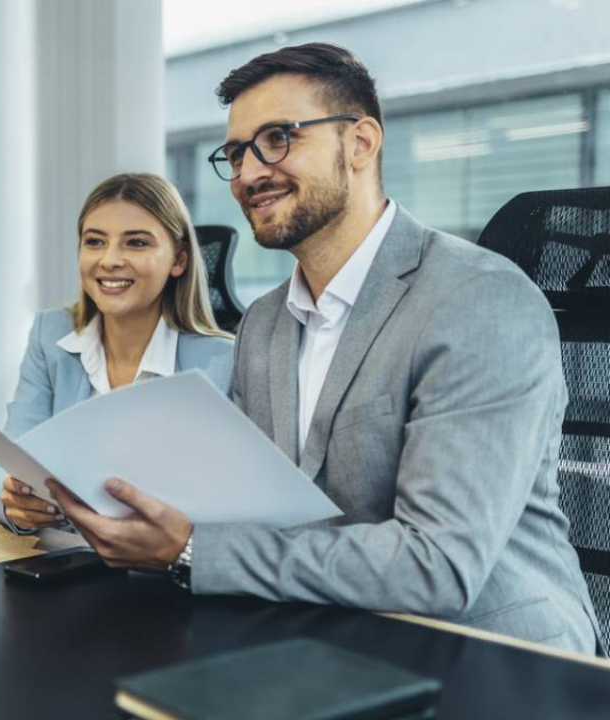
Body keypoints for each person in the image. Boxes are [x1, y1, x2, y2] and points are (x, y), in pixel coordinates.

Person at [49, 43, 602, 654]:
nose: (250, 172)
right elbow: (252, 506)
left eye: (279, 138)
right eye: (236, 153)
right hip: (329, 635)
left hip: (494, 656)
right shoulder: (262, 323)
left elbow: (436, 564)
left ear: (361, 143)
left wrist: (190, 547)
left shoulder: (479, 299)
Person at [0, 173, 233, 533]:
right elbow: (1, 467)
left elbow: (233, 507)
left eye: (135, 243)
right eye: (95, 241)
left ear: (178, 260)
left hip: (163, 576)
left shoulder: (222, 363)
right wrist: (13, 500)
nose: (110, 260)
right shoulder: (50, 336)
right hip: (61, 567)